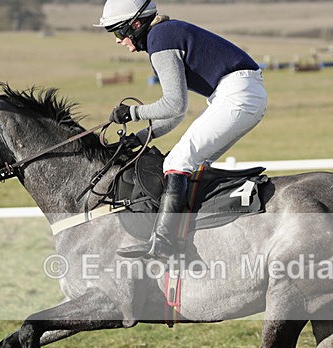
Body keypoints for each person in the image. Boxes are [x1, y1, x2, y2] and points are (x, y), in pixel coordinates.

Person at [95, 0, 267, 261]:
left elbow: (173, 104)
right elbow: (177, 113)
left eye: (119, 32)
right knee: (193, 165)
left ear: (136, 24)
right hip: (240, 94)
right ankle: (197, 236)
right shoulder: (164, 35)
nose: (119, 41)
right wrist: (140, 137)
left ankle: (165, 244)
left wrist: (132, 114)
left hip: (236, 95)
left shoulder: (160, 39)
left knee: (177, 162)